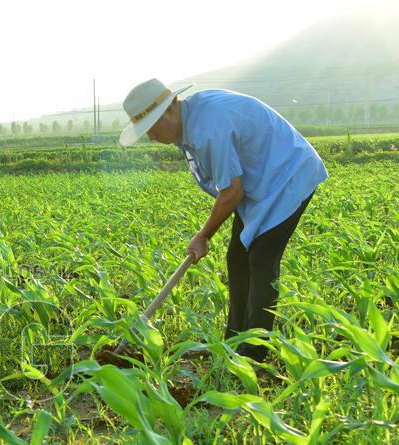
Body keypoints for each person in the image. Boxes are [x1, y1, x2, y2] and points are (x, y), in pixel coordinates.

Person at [119, 79, 328, 362]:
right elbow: (231, 187)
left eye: (152, 128)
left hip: (288, 176)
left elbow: (231, 193)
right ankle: (234, 341)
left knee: (261, 260)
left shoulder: (208, 129)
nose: (151, 138)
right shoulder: (193, 117)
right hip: (260, 185)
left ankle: (252, 355)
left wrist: (202, 235)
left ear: (169, 110)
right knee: (237, 257)